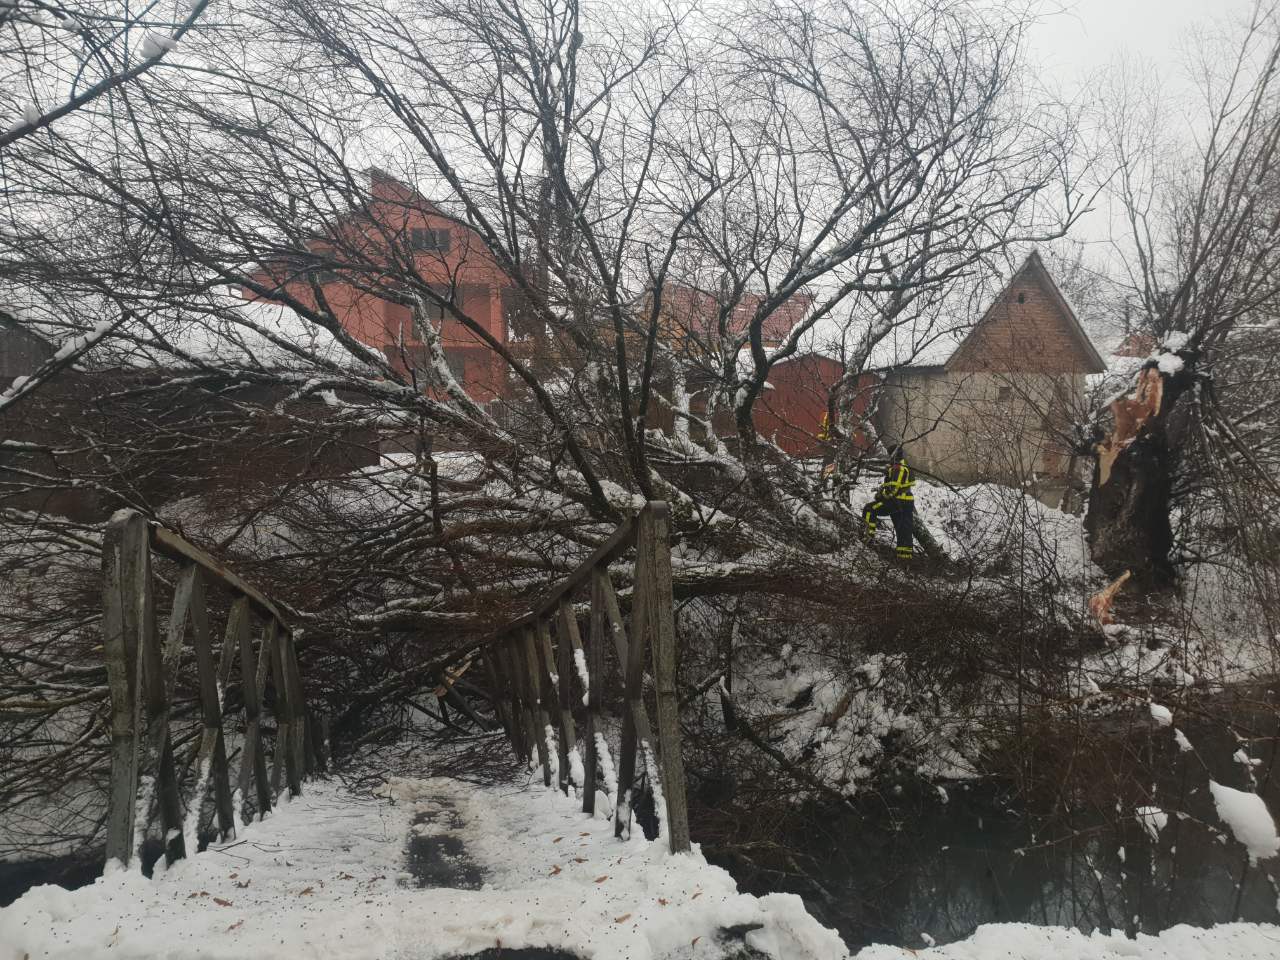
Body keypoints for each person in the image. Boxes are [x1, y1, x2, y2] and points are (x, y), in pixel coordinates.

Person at [862, 444, 914, 560]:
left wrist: (880, 496)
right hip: (904, 502)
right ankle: (904, 558)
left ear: (893, 455)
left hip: (899, 501)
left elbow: (892, 490)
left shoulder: (898, 468)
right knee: (903, 530)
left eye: (889, 454)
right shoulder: (902, 466)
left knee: (870, 509)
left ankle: (867, 538)